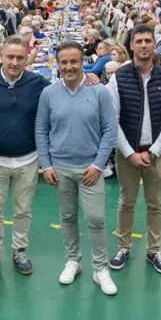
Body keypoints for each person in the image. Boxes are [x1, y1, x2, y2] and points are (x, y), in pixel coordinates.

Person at [35, 42, 117, 295]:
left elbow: (109, 131)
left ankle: (100, 268)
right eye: (64, 62)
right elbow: (41, 129)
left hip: (90, 169)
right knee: (67, 217)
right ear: (58, 65)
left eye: (74, 61)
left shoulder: (100, 92)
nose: (69, 67)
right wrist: (46, 164)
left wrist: (97, 165)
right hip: (60, 168)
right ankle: (73, 261)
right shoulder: (49, 93)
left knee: (96, 218)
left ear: (83, 63)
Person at [106, 24, 161, 274]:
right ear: (131, 45)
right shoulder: (119, 77)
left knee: (155, 203)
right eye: (139, 41)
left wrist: (154, 151)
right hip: (127, 153)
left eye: (148, 40)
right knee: (126, 201)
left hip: (156, 154)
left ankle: (154, 250)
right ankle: (123, 247)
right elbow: (111, 120)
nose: (144, 45)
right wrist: (129, 153)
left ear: (154, 44)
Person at [0, 36, 50, 277]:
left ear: (27, 58)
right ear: (1, 57)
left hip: (28, 158)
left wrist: (90, 79)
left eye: (20, 57)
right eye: (10, 57)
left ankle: (20, 249)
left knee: (23, 210)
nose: (15, 62)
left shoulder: (38, 82)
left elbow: (60, 96)